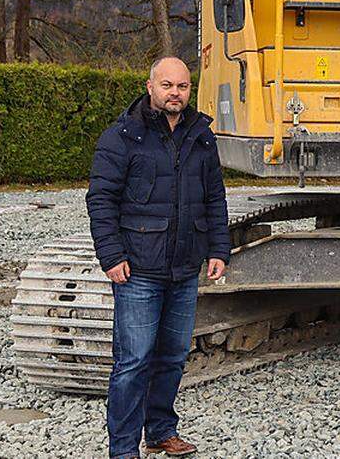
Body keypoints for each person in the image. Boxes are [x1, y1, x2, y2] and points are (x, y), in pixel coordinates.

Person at [86, 56, 230, 458]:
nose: (175, 93)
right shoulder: (122, 136)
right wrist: (111, 254)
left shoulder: (201, 135)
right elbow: (101, 200)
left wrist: (219, 248)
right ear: (150, 87)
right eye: (167, 85)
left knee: (172, 357)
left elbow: (214, 198)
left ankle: (162, 432)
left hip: (184, 269)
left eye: (182, 87)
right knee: (132, 362)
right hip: (138, 271)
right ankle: (123, 449)